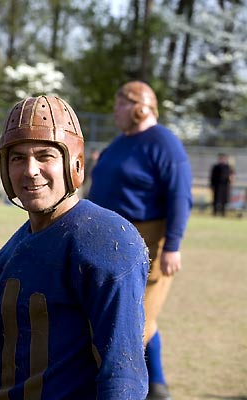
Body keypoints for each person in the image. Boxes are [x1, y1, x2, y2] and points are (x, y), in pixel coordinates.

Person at [0, 95, 149, 399]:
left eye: (45, 156)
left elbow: (123, 374)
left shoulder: (107, 240)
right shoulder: (6, 255)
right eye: (18, 158)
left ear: (75, 164)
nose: (30, 170)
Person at [88, 81, 193, 400]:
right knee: (126, 315)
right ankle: (157, 385)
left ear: (140, 107)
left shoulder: (164, 143)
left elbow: (179, 195)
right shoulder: (120, 143)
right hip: (108, 242)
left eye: (120, 104)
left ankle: (129, 389)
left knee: (133, 320)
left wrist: (172, 245)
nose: (115, 111)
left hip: (147, 242)